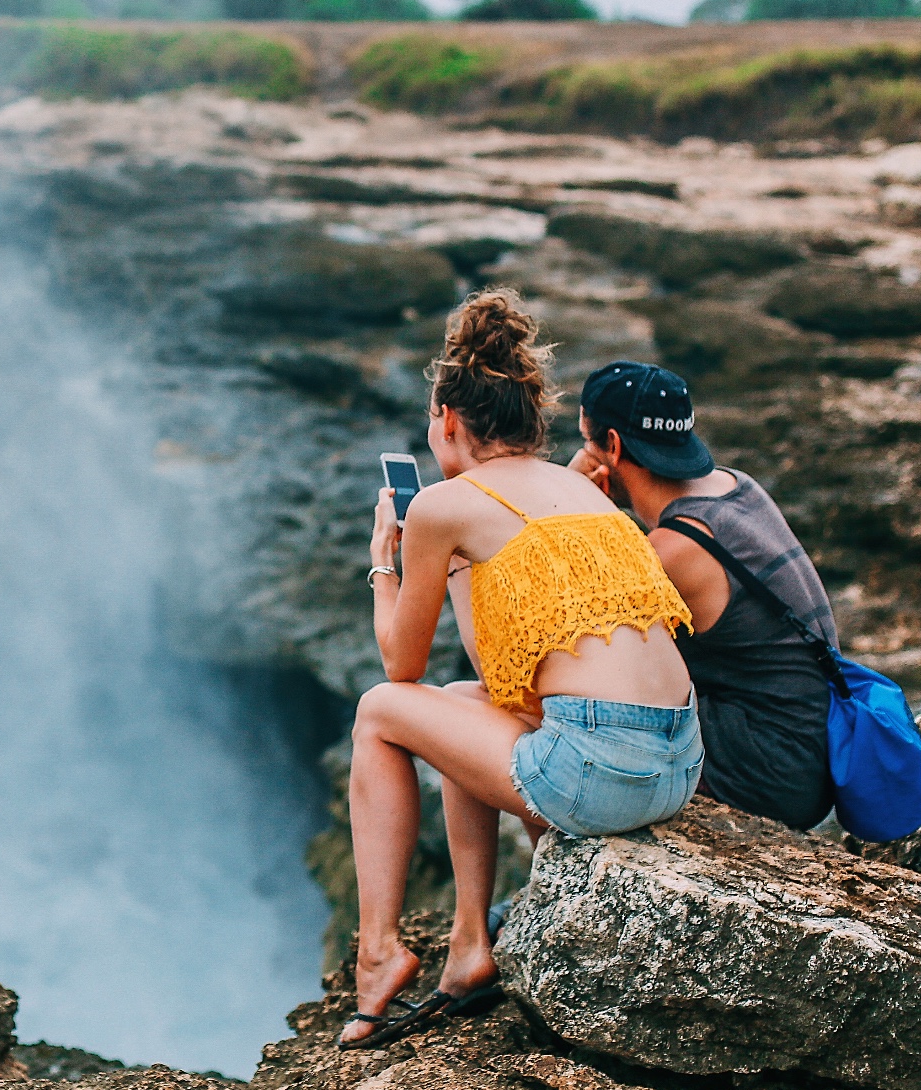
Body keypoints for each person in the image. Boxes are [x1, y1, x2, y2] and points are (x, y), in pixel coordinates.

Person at [340, 291, 702, 1051]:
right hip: (680, 760)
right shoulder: (581, 491)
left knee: (380, 710)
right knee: (461, 699)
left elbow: (398, 667)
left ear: (447, 421)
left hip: (601, 769)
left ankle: (377, 957)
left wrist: (385, 565)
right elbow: (505, 683)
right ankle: (470, 944)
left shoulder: (441, 505)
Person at [568, 361, 836, 833]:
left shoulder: (676, 550)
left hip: (771, 768)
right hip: (811, 747)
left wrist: (573, 500)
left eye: (587, 440)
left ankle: (550, 888)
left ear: (611, 445)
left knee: (569, 713)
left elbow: (574, 635)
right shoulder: (734, 486)